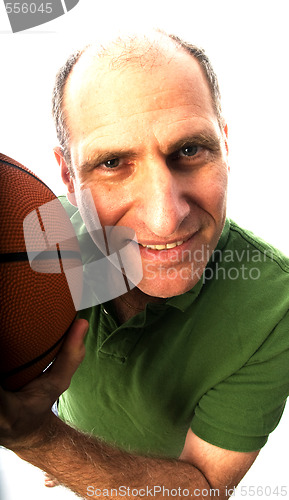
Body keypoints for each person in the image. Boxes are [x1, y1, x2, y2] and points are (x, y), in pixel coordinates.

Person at [1, 30, 289, 499]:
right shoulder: (29, 247)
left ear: (226, 146)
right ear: (67, 177)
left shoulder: (276, 306)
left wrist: (45, 442)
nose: (165, 216)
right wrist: (70, 455)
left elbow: (204, 487)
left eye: (190, 150)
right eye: (112, 162)